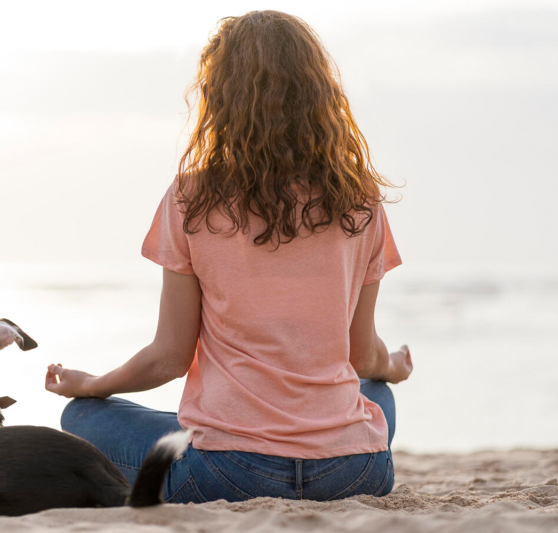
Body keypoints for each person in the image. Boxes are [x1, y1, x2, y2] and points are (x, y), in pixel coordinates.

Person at [44, 10, 413, 503]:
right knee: (378, 393)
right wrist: (393, 366)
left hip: (230, 474)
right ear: (319, 94)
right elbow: (361, 355)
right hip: (354, 471)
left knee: (82, 416)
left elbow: (169, 357)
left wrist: (93, 383)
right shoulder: (359, 200)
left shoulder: (192, 197)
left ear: (220, 96)